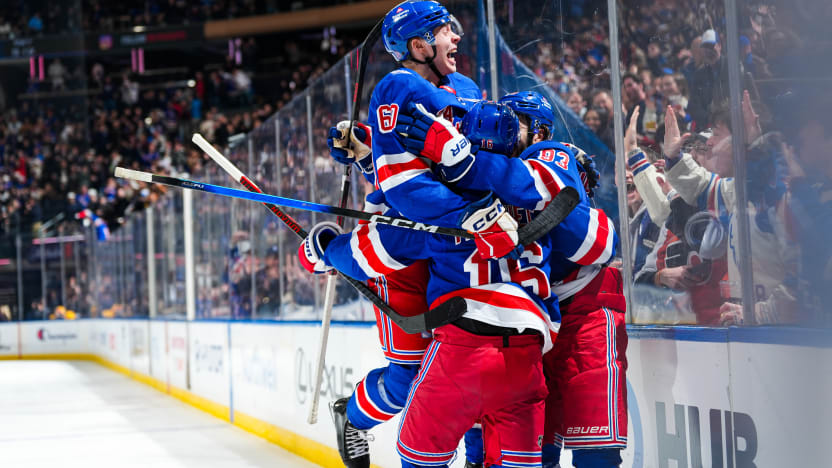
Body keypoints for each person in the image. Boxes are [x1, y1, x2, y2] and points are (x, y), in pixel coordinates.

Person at [402, 93, 626, 468]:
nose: (501, 125)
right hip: (528, 332)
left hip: (579, 319)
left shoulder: (551, 155)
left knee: (595, 454)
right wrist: (368, 160)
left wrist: (463, 162)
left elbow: (595, 244)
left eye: (514, 120)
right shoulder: (486, 187)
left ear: (538, 130)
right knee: (526, 450)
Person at [323, 4, 492, 467]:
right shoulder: (398, 91)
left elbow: (450, 169)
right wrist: (368, 154)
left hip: (457, 248)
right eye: (443, 32)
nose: (455, 38)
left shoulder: (467, 89)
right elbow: (403, 184)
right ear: (419, 45)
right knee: (407, 377)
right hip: (408, 253)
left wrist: (365, 151)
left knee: (477, 357)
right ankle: (353, 419)